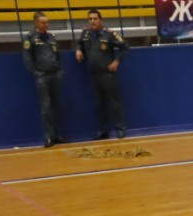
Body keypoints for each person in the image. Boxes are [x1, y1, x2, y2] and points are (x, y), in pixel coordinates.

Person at [75, 9, 128, 140]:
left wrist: (117, 61)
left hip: (107, 74)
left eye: (95, 19)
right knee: (99, 104)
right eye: (90, 19)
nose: (92, 21)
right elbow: (79, 43)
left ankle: (120, 129)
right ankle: (103, 131)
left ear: (100, 20)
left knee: (114, 103)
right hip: (93, 74)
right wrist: (78, 50)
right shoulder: (85, 34)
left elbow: (124, 46)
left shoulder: (109, 34)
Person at [22, 12, 65, 148]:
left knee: (57, 106)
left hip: (55, 75)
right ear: (36, 23)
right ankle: (49, 136)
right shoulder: (30, 38)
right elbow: (27, 59)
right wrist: (36, 73)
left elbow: (57, 55)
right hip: (42, 76)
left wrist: (59, 70)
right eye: (43, 22)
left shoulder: (52, 37)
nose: (46, 25)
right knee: (46, 108)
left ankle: (58, 135)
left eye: (47, 22)